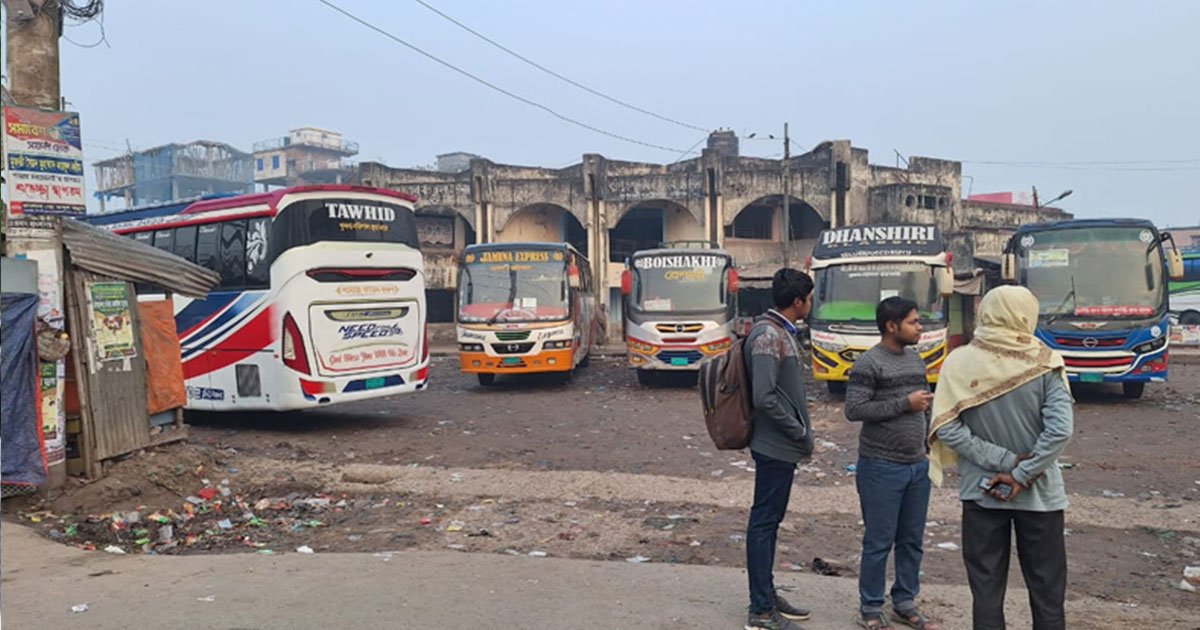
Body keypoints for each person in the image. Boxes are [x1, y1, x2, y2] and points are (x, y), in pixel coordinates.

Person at [928, 285, 1073, 630]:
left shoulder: (959, 361)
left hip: (981, 493)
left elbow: (945, 428)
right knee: (1048, 592)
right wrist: (1021, 472)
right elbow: (1059, 432)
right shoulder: (1045, 361)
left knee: (986, 591)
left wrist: (1003, 463)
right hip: (1039, 497)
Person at [844, 297, 939, 630]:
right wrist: (904, 404)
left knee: (911, 540)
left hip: (917, 466)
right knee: (878, 542)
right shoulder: (869, 363)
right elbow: (854, 410)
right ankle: (870, 608)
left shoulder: (915, 360)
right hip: (881, 467)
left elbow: (924, 405)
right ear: (891, 325)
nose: (920, 328)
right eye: (914, 322)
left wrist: (927, 443)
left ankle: (904, 602)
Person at [743, 268, 815, 630]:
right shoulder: (768, 336)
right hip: (775, 445)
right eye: (809, 298)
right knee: (763, 523)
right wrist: (799, 430)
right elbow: (764, 397)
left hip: (781, 446)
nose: (810, 304)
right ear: (798, 301)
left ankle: (767, 595)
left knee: (769, 523)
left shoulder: (779, 331)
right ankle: (760, 611)